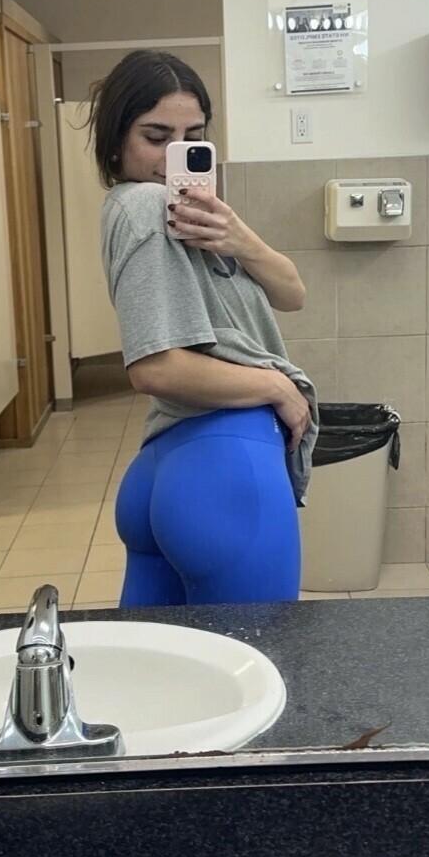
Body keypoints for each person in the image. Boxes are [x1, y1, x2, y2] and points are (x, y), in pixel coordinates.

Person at [90, 49, 318, 607]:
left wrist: (240, 237)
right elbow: (154, 367)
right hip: (225, 467)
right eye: (156, 137)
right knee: (261, 655)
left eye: (192, 137)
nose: (174, 155)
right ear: (116, 143)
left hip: (169, 463)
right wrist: (275, 385)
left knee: (156, 660)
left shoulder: (194, 217)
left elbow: (293, 294)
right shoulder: (146, 207)